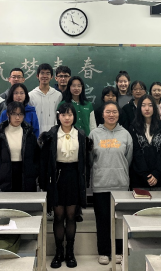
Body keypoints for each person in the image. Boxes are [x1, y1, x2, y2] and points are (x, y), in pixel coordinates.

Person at [39, 103, 90, 269]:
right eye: (63, 114)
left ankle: (70, 252)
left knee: (71, 216)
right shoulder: (51, 135)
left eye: (70, 114)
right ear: (58, 116)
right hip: (57, 177)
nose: (67, 118)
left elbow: (86, 160)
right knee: (59, 216)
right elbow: (44, 161)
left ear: (74, 116)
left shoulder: (80, 134)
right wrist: (44, 182)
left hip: (74, 176)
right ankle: (58, 252)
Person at [90, 101, 133, 266]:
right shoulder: (94, 134)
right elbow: (91, 159)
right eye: (108, 112)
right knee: (102, 220)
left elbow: (128, 158)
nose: (111, 115)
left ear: (118, 114)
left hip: (120, 184)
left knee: (119, 221)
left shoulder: (125, 134)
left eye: (114, 112)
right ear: (102, 114)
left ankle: (118, 251)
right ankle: (103, 252)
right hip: (101, 183)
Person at [0, 101, 40, 192]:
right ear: (8, 114)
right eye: (14, 114)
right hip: (4, 178)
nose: (17, 117)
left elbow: (37, 157)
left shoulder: (29, 134)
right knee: (6, 201)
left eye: (20, 114)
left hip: (26, 178)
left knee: (24, 201)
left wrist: (33, 173)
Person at [130, 95, 161, 191]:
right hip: (139, 179)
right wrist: (145, 175)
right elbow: (135, 153)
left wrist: (156, 173)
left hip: (160, 178)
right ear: (139, 108)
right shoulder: (133, 127)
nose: (147, 108)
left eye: (150, 105)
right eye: (143, 105)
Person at [29, 64, 63, 135]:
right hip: (36, 133)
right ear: (37, 76)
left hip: (54, 133)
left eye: (47, 73)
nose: (45, 76)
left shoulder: (58, 95)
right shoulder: (31, 95)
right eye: (42, 73)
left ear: (52, 77)